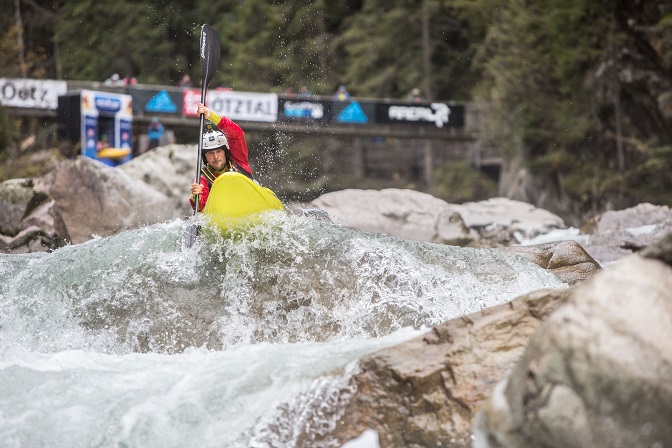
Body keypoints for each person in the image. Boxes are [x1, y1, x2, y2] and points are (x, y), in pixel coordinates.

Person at [189, 103, 253, 212]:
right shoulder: (202, 179)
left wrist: (211, 115)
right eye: (210, 153)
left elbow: (237, 134)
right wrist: (196, 198)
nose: (215, 157)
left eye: (219, 151)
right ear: (205, 157)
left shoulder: (239, 161)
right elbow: (203, 209)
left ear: (225, 152)